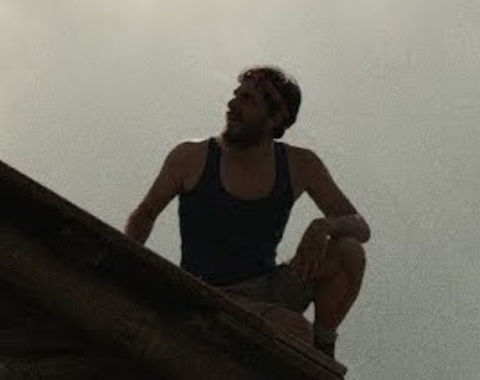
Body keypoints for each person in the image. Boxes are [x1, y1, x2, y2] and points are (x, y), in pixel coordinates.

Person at [124, 67, 369, 358]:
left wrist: (323, 226)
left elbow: (360, 227)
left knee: (349, 251)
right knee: (294, 330)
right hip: (211, 294)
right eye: (236, 95)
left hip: (268, 286)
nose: (232, 104)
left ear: (276, 117)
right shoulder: (191, 157)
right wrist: (125, 271)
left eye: (248, 100)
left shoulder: (300, 164)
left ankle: (324, 349)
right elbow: (145, 214)